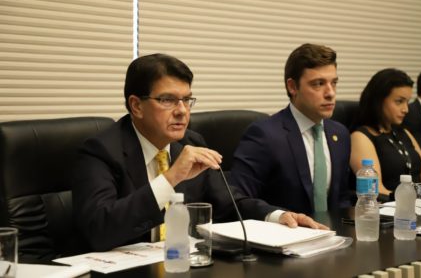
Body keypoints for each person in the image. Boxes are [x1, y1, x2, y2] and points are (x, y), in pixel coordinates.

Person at [72, 53, 327, 252]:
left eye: (187, 100)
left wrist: (278, 216)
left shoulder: (190, 142)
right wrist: (171, 178)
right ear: (136, 106)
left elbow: (231, 203)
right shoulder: (101, 151)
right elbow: (99, 229)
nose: (182, 111)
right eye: (168, 100)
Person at [230, 43, 351, 215]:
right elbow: (237, 200)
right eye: (318, 84)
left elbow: (341, 197)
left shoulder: (340, 134)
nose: (330, 93)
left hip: (333, 237)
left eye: (334, 83)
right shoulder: (265, 135)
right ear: (292, 87)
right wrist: (278, 216)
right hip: (284, 236)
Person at [350, 68, 421, 196]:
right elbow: (376, 192)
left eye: (407, 102)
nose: (406, 109)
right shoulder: (361, 137)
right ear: (379, 100)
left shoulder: (404, 133)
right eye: (399, 101)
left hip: (419, 208)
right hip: (391, 210)